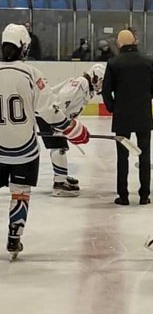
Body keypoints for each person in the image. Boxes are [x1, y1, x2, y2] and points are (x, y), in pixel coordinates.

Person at [0, 23, 89, 260]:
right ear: (24, 47)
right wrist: (73, 129)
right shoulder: (31, 74)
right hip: (24, 150)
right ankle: (14, 236)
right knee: (20, 193)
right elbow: (50, 111)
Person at [102, 29, 153, 205]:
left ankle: (123, 195)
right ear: (135, 42)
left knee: (122, 157)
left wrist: (114, 108)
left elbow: (106, 91)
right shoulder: (147, 62)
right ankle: (144, 195)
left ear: (119, 44)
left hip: (122, 117)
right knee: (144, 155)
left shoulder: (114, 63)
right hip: (143, 115)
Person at [36, 64, 106, 197]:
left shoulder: (87, 88)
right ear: (95, 77)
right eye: (102, 81)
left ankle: (61, 177)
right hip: (49, 115)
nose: (102, 85)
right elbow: (61, 101)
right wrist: (61, 123)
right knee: (59, 147)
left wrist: (70, 128)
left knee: (59, 147)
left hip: (53, 115)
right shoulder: (81, 83)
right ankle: (60, 184)